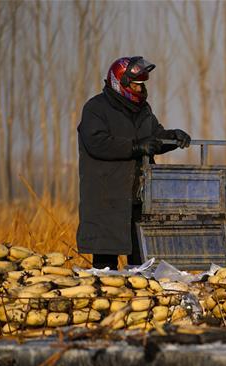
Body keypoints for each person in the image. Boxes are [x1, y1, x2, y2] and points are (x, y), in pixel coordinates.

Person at [77, 56, 191, 269]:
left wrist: (173, 138)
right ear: (120, 83)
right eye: (135, 84)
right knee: (105, 265)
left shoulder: (143, 110)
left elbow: (154, 138)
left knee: (142, 262)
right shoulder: (96, 108)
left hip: (138, 197)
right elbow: (97, 142)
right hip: (106, 197)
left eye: (142, 84)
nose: (140, 89)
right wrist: (135, 146)